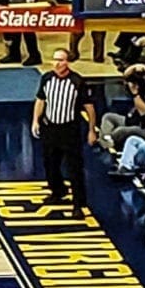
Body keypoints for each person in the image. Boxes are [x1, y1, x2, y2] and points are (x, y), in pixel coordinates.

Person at [31, 48, 98, 215]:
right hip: (50, 127)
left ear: (67, 62)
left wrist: (91, 130)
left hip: (69, 130)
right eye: (54, 59)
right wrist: (35, 121)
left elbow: (89, 108)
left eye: (60, 60)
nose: (57, 63)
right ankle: (57, 191)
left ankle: (78, 204)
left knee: (74, 168)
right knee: (50, 164)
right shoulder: (46, 78)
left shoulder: (77, 81)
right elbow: (40, 100)